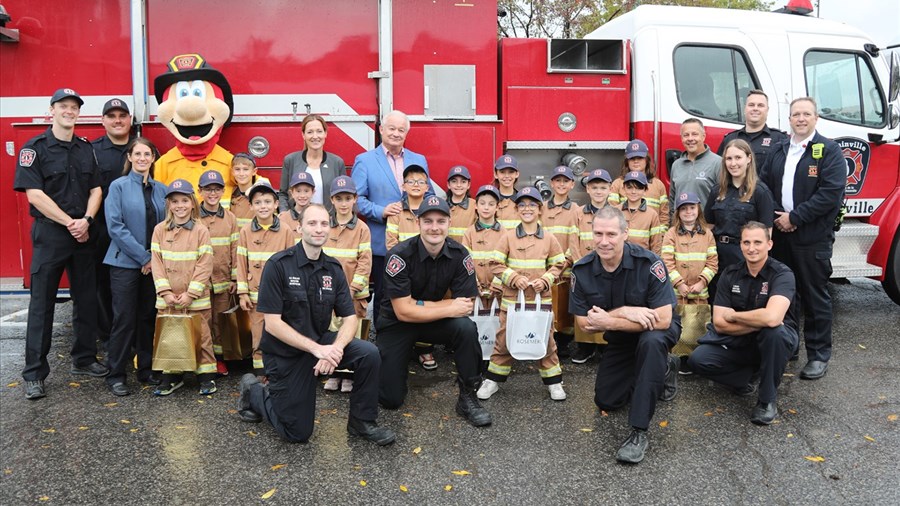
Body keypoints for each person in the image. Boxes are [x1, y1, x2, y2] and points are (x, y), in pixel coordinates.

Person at [236, 204, 395, 446]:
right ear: (299, 228)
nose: (318, 229)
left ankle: (362, 422)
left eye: (323, 224)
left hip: (320, 345)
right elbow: (273, 324)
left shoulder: (333, 268)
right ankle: (254, 392)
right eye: (312, 223)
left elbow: (350, 318)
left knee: (368, 353)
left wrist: (335, 350)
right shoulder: (278, 265)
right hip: (285, 354)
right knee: (296, 433)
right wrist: (317, 350)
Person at [13, 88, 109, 400]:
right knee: (41, 304)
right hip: (52, 235)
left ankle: (84, 359)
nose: (69, 111)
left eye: (74, 107)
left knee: (86, 299)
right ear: (51, 110)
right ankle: (34, 373)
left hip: (83, 233)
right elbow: (34, 194)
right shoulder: (34, 148)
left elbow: (96, 190)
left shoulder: (84, 148)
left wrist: (87, 221)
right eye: (63, 106)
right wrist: (70, 222)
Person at [569, 206, 681, 464]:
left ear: (625, 234)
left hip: (659, 333)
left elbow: (662, 319)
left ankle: (638, 432)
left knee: (651, 342)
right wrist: (625, 312)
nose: (604, 241)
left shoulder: (649, 263)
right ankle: (662, 370)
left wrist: (609, 319)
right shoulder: (582, 270)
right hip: (622, 337)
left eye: (611, 234)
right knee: (607, 400)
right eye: (598, 233)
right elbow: (585, 323)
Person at [375, 196, 492, 427]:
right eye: (428, 221)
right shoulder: (399, 255)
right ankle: (396, 369)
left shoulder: (460, 255)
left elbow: (465, 306)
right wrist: (446, 306)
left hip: (434, 322)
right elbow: (403, 312)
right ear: (418, 224)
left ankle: (468, 396)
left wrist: (423, 307)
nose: (434, 227)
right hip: (397, 324)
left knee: (466, 328)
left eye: (441, 221)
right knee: (390, 400)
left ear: (449, 223)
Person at [759, 97, 845, 380]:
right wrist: (776, 217)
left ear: (816, 118)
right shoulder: (780, 149)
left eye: (806, 114)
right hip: (781, 236)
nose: (801, 119)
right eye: (796, 114)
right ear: (789, 119)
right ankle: (790, 345)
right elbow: (764, 184)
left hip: (811, 238)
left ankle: (819, 355)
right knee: (785, 295)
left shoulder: (829, 151)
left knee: (813, 295)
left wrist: (794, 218)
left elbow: (829, 194)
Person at [687, 222, 799, 425]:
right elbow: (720, 323)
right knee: (698, 359)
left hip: (776, 341)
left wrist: (736, 316)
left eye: (758, 242)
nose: (751, 248)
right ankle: (747, 377)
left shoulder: (782, 274)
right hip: (739, 338)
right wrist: (761, 320)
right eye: (746, 242)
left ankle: (766, 401)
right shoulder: (730, 275)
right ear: (740, 245)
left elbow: (773, 318)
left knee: (774, 334)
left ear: (770, 244)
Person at [480, 186, 567, 401]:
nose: (526, 208)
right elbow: (495, 264)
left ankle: (554, 383)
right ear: (517, 210)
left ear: (539, 209)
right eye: (522, 205)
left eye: (531, 205)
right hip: (511, 303)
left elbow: (558, 265)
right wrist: (513, 277)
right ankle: (492, 381)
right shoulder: (508, 237)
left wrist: (545, 281)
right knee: (503, 341)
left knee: (546, 342)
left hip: (540, 302)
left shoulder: (549, 238)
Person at [351, 110, 432, 324]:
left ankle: (420, 346)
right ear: (381, 130)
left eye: (401, 130)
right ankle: (385, 345)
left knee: (419, 296)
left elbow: (429, 194)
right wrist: (381, 211)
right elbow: (356, 200)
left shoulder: (419, 159)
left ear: (406, 133)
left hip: (419, 245)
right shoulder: (365, 160)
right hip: (382, 244)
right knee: (385, 296)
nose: (396, 133)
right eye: (392, 128)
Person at [102, 138, 167, 396]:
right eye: (137, 154)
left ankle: (146, 370)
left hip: (154, 266)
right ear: (129, 157)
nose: (142, 158)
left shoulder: (161, 190)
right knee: (124, 319)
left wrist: (154, 259)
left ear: (153, 158)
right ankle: (116, 374)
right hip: (124, 264)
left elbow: (166, 228)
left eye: (147, 154)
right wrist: (143, 258)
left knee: (147, 318)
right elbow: (115, 227)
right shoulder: (117, 187)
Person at [150, 179, 217, 396]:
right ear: (168, 205)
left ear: (192, 204)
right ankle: (171, 377)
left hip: (195, 298)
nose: (180, 206)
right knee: (170, 336)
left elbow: (205, 264)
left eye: (184, 201)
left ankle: (206, 377)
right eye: (175, 201)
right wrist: (166, 292)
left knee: (203, 337)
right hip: (168, 300)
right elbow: (156, 263)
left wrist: (191, 293)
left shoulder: (201, 231)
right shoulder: (159, 230)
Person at [236, 182, 296, 377]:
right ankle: (261, 372)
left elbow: (291, 262)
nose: (263, 206)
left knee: (281, 330)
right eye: (258, 202)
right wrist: (242, 292)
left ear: (276, 204)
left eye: (268, 202)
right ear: (251, 206)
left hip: (280, 294)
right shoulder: (245, 231)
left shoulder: (286, 230)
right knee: (258, 332)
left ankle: (280, 370)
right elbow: (241, 262)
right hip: (255, 294)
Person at [705, 139, 775, 303]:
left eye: (738, 158)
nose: (733, 163)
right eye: (729, 159)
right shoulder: (717, 190)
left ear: (749, 159)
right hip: (718, 257)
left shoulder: (760, 192)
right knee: (718, 304)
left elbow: (766, 236)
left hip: (745, 257)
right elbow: (708, 227)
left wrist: (754, 261)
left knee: (743, 303)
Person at [321, 176, 373, 392]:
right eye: (339, 198)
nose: (343, 203)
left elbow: (364, 264)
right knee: (332, 333)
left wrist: (351, 290)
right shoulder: (324, 226)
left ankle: (350, 375)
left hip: (354, 296)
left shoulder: (362, 229)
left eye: (348, 198)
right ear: (332, 200)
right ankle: (334, 372)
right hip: (328, 295)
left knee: (353, 335)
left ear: (355, 200)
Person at [91, 98, 135, 349]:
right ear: (103, 120)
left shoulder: (141, 149)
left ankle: (135, 338)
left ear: (130, 119)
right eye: (112, 116)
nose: (117, 120)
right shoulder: (93, 151)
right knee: (101, 284)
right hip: (102, 231)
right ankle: (107, 339)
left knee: (133, 285)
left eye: (122, 115)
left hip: (136, 232)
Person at [569, 168, 614, 364]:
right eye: (594, 187)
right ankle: (585, 346)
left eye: (603, 187)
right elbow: (573, 240)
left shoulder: (616, 213)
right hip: (585, 267)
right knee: (585, 304)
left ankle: (606, 345)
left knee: (608, 303)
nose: (598, 191)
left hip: (608, 266)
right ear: (587, 189)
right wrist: (580, 265)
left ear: (610, 189)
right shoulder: (578, 213)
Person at [197, 170, 239, 375]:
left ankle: (220, 359)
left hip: (222, 280)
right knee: (202, 320)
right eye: (208, 189)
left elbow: (235, 248)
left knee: (219, 321)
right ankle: (204, 359)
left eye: (216, 189)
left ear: (223, 191)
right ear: (200, 192)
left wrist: (234, 277)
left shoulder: (230, 218)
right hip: (200, 282)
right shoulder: (193, 216)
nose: (212, 193)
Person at [542, 166, 580, 357]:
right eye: (558, 180)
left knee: (565, 308)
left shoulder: (576, 210)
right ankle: (546, 340)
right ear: (552, 183)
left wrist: (565, 261)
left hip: (565, 270)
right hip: (545, 269)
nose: (561, 184)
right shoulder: (542, 208)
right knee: (547, 307)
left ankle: (563, 344)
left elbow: (575, 240)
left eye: (566, 181)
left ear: (572, 184)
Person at [279, 114, 347, 212]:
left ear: (325, 133)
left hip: (327, 223)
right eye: (310, 132)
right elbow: (283, 194)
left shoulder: (337, 163)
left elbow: (343, 194)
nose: (315, 136)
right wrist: (285, 215)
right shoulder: (290, 160)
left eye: (319, 131)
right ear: (303, 135)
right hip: (297, 223)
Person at [662, 192, 717, 305]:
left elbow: (713, 263)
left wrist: (702, 283)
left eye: (692, 207)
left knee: (699, 323)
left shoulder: (708, 234)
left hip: (699, 296)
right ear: (678, 212)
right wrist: (679, 284)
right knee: (676, 322)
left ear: (698, 210)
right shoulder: (671, 234)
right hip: (676, 295)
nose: (688, 212)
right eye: (683, 208)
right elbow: (666, 262)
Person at [716, 89, 787, 171]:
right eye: (751, 105)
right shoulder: (730, 139)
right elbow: (720, 170)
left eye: (760, 105)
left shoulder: (780, 139)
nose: (755, 108)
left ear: (767, 110)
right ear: (744, 108)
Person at [668, 118, 722, 222]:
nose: (690, 138)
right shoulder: (676, 165)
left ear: (703, 136)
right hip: (680, 231)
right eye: (686, 135)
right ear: (681, 138)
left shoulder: (718, 163)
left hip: (706, 230)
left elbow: (722, 201)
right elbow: (672, 199)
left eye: (694, 134)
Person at [461, 185, 505, 308]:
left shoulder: (505, 233)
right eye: (482, 203)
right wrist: (474, 284)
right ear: (476, 206)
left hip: (499, 291)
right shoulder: (469, 233)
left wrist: (496, 284)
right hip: (475, 292)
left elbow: (507, 262)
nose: (486, 207)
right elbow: (466, 262)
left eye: (491, 204)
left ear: (497, 207)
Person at [609, 139, 669, 228]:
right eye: (632, 158)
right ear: (627, 161)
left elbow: (664, 216)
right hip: (624, 238)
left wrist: (661, 236)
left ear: (647, 160)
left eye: (640, 158)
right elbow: (612, 214)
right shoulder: (617, 184)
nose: (636, 161)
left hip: (651, 238)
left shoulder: (658, 185)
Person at [619, 171, 663, 255]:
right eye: (629, 187)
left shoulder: (652, 215)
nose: (633, 192)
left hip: (642, 262)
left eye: (638, 188)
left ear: (645, 190)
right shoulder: (616, 211)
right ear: (623, 188)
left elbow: (656, 244)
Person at [228, 153, 265, 229]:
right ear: (232, 172)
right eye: (237, 169)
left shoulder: (262, 195)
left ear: (254, 171)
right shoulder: (229, 195)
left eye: (245, 169)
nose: (241, 174)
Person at [278, 171, 315, 241]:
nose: (302, 195)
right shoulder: (283, 219)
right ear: (292, 193)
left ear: (313, 192)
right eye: (298, 191)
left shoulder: (319, 216)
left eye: (306, 191)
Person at [447, 165, 476, 243]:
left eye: (463, 181)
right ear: (448, 185)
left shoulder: (475, 206)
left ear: (468, 185)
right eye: (454, 181)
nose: (458, 185)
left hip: (467, 252)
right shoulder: (442, 205)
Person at [492, 155, 521, 230]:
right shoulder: (489, 200)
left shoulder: (522, 201)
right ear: (495, 174)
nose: (507, 176)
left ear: (517, 174)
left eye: (511, 172)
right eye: (502, 172)